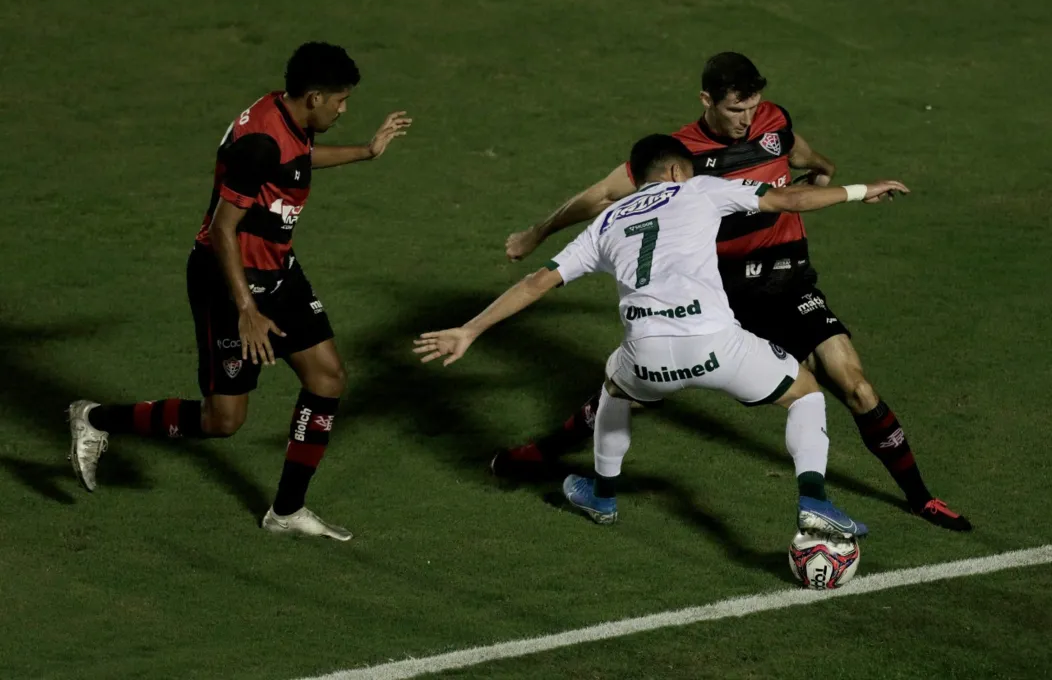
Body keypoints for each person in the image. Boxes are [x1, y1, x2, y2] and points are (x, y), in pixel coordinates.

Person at [497, 52, 969, 531]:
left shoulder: (772, 121)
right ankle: (544, 454)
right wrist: (538, 233)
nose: (746, 120)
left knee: (857, 385)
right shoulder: (679, 156)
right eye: (734, 111)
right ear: (707, 101)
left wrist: (825, 168)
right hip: (725, 294)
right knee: (623, 396)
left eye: (752, 107)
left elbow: (796, 154)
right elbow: (600, 196)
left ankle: (921, 498)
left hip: (788, 283)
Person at [416, 134, 906, 535]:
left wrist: (469, 330)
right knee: (806, 393)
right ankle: (814, 500)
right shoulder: (698, 189)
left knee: (613, 383)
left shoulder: (606, 221)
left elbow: (536, 282)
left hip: (647, 354)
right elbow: (788, 198)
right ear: (675, 171)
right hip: (717, 343)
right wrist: (863, 190)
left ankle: (603, 498)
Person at [68, 42, 412, 541]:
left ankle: (287, 511)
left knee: (328, 378)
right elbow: (221, 229)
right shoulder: (259, 144)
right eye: (340, 100)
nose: (344, 108)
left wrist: (366, 151)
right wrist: (246, 310)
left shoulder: (286, 115)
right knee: (223, 420)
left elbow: (297, 162)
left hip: (278, 270)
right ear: (314, 97)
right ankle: (95, 418)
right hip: (227, 281)